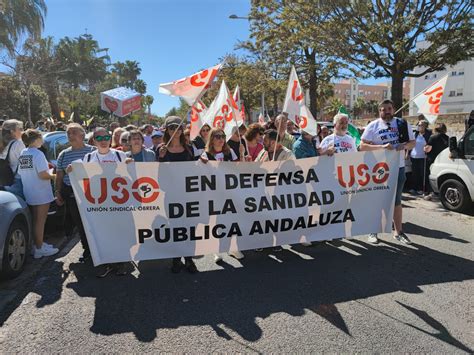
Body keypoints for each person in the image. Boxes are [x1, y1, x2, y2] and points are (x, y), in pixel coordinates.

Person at [67, 127, 130, 277]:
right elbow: (77, 169)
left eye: (106, 137)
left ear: (110, 139)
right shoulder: (89, 158)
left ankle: (120, 263)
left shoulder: (120, 155)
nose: (103, 141)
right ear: (94, 141)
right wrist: (72, 169)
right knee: (103, 233)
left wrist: (130, 164)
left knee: (118, 232)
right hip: (99, 205)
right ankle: (108, 263)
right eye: (99, 138)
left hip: (118, 204)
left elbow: (130, 175)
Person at [360, 99, 415, 245]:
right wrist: (382, 147)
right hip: (379, 170)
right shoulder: (373, 125)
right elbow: (362, 146)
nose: (386, 111)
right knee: (377, 200)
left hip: (399, 167)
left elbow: (412, 143)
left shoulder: (403, 124)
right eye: (383, 109)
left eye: (389, 108)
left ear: (394, 109)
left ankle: (399, 232)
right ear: (379, 111)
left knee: (397, 201)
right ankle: (373, 232)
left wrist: (402, 146)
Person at [158, 116, 198, 274]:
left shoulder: (189, 148)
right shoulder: (162, 149)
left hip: (188, 194)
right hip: (171, 195)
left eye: (179, 127)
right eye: (172, 127)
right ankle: (176, 259)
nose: (176, 130)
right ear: (167, 130)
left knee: (190, 227)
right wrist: (160, 158)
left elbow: (195, 169)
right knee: (175, 227)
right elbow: (157, 173)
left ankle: (189, 259)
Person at [200, 128, 245, 262]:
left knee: (233, 220)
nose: (221, 139)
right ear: (212, 138)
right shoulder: (205, 155)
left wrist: (242, 155)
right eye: (217, 136)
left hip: (231, 192)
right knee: (217, 222)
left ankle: (233, 247)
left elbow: (239, 168)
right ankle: (216, 250)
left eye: (223, 136)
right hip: (215, 194)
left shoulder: (230, 152)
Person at [55, 123, 95, 261]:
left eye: (73, 132)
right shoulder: (63, 154)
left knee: (94, 222)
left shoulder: (93, 151)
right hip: (72, 193)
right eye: (68, 133)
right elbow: (59, 175)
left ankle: (99, 248)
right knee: (80, 222)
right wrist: (58, 192)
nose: (70, 135)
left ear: (82, 135)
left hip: (93, 193)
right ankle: (87, 250)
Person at [18, 129, 59, 259]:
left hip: (29, 191)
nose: (42, 141)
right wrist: (55, 176)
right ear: (36, 139)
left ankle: (38, 245)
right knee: (40, 221)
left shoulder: (23, 153)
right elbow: (43, 174)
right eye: (41, 138)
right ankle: (39, 249)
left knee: (36, 220)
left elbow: (21, 173)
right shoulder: (38, 154)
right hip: (41, 192)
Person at [0, 119, 26, 198]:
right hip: (18, 180)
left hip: (5, 181)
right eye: (20, 129)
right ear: (12, 131)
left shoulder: (2, 144)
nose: (22, 131)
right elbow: (25, 163)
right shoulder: (18, 143)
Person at [423, 123, 449, 200]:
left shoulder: (433, 137)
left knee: (430, 175)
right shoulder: (447, 138)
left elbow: (428, 149)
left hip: (432, 159)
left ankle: (432, 192)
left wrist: (425, 148)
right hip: (443, 160)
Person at [409, 120, 431, 196]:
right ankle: (415, 188)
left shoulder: (428, 135)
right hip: (414, 156)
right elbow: (411, 144)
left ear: (425, 126)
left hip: (423, 157)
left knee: (423, 173)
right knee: (415, 173)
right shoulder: (415, 134)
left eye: (420, 125)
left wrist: (428, 147)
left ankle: (423, 189)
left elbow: (430, 145)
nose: (419, 126)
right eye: (418, 125)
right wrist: (407, 154)